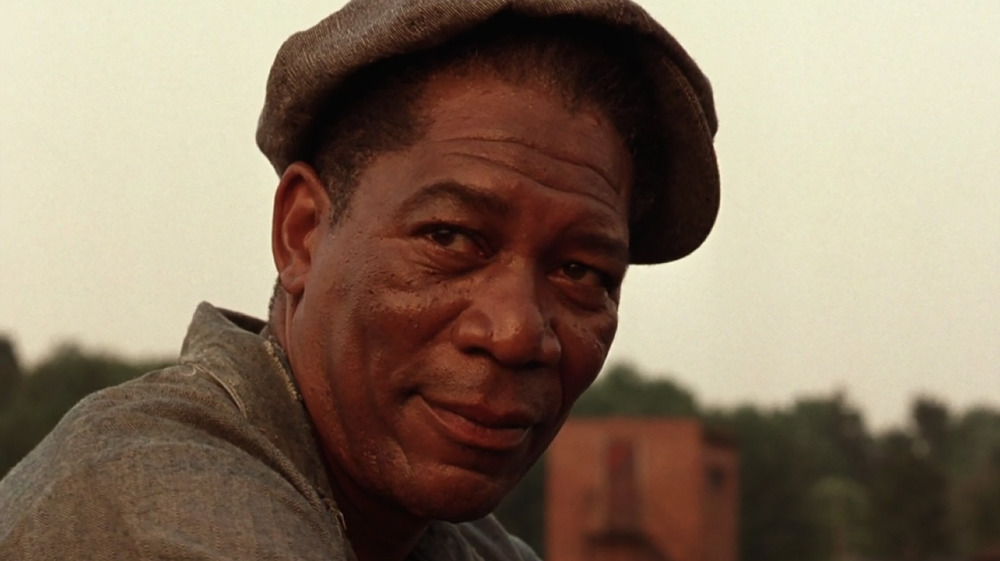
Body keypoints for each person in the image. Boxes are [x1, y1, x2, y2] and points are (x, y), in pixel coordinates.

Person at [0, 0, 719, 559]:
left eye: (580, 271)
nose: (515, 332)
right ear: (302, 233)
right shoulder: (156, 501)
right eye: (450, 237)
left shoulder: (454, 542)